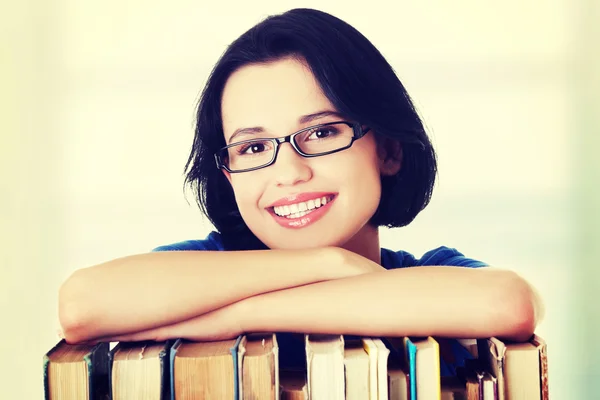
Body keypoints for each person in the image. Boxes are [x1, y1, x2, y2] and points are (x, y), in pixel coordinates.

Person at [58, 8, 543, 375]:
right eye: (251, 147)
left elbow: (509, 303)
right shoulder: (205, 267)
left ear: (389, 150)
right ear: (228, 174)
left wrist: (233, 316)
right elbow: (81, 305)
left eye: (322, 132)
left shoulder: (430, 274)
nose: (288, 172)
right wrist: (326, 264)